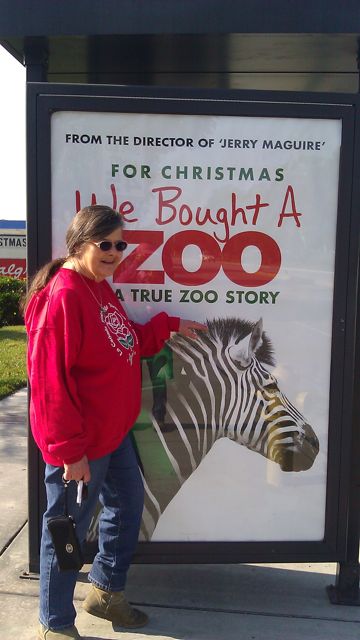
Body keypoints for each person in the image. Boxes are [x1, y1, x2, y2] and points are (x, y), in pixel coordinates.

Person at [23, 205, 207, 640]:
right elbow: (48, 383)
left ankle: (105, 591)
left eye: (119, 245)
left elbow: (124, 339)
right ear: (79, 243)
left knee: (126, 506)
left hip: (114, 434)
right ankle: (56, 624)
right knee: (64, 532)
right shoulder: (63, 294)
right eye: (103, 244)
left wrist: (169, 326)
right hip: (83, 443)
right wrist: (70, 452)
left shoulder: (99, 287)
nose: (113, 252)